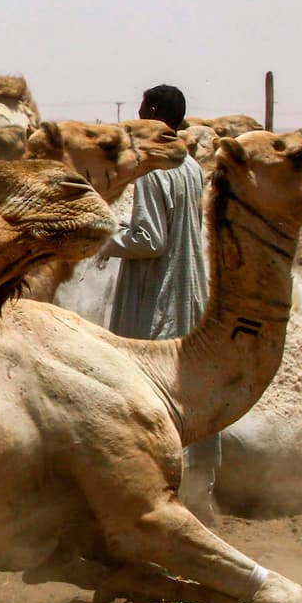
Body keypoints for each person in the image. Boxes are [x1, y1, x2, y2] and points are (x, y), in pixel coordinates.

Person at [105, 82, 217, 518]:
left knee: (146, 392)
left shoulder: (154, 169)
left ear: (150, 112)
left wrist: (104, 239)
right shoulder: (190, 165)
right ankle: (197, 492)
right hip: (188, 288)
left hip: (157, 295)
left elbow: (149, 240)